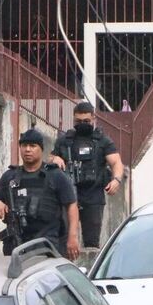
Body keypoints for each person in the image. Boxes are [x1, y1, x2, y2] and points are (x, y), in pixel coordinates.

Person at [0, 129, 81, 261]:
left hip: (48, 245)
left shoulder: (55, 175)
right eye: (24, 146)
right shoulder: (10, 176)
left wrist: (73, 237)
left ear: (41, 149)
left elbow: (71, 205)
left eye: (32, 146)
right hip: (16, 245)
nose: (27, 150)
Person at [49, 102, 124, 249]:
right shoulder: (65, 140)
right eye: (78, 121)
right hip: (69, 196)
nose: (82, 124)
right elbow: (49, 159)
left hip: (93, 196)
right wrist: (54, 158)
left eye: (86, 121)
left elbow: (116, 162)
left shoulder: (103, 140)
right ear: (73, 119)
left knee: (91, 243)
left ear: (93, 119)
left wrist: (116, 180)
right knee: (65, 241)